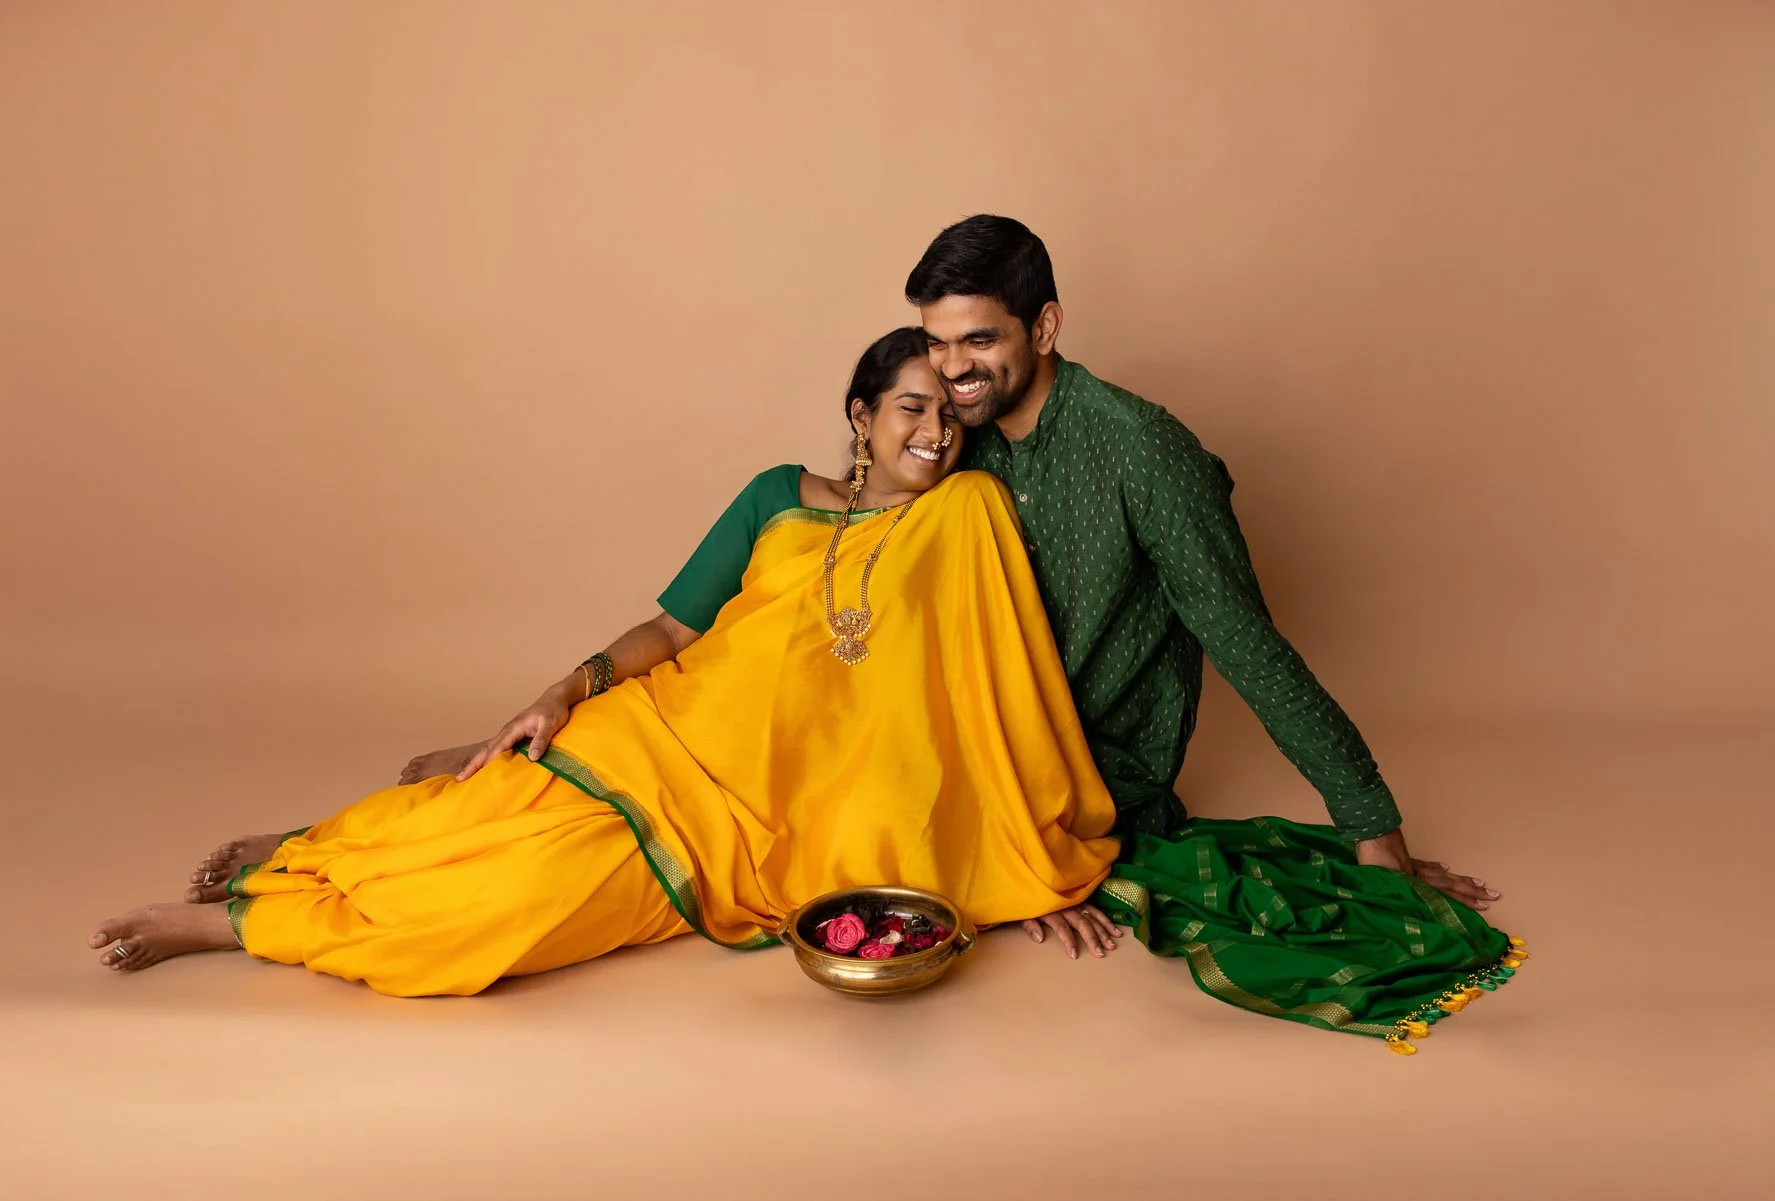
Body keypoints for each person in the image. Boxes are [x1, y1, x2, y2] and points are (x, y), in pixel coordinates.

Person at [89, 329, 1123, 995]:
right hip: (657, 732)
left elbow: (995, 700)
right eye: (910, 404)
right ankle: (284, 864)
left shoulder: (966, 521)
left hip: (746, 826)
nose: (935, 428)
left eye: (948, 409)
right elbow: (673, 630)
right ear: (861, 416)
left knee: (501, 908)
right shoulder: (778, 494)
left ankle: (251, 917)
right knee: (481, 809)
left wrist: (1023, 857)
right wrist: (558, 689)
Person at [904, 217, 1523, 1049]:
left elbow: (1246, 642)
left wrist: (1372, 826)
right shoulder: (951, 443)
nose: (952, 368)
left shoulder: (1142, 450)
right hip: (968, 755)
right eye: (935, 342)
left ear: (1045, 327)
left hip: (1088, 781)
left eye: (978, 339)